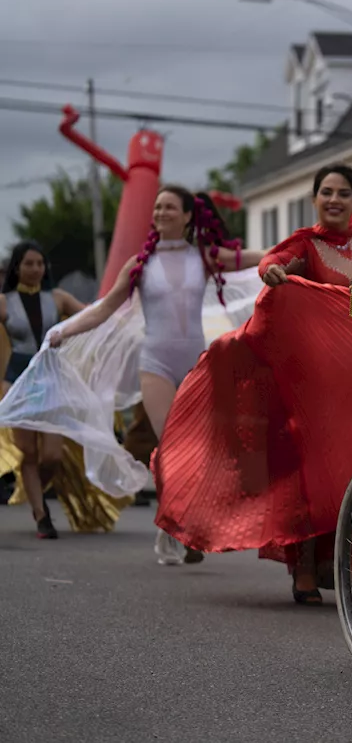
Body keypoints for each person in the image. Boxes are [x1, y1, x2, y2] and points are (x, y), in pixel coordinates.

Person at [154, 165, 352, 606]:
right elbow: (271, 262)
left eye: (343, 194)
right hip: (315, 388)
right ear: (315, 199)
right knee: (317, 476)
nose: (334, 200)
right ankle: (306, 570)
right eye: (326, 193)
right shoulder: (305, 244)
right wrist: (273, 273)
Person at [47, 186, 270, 561]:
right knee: (170, 447)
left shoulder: (205, 258)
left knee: (200, 449)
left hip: (196, 363)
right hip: (156, 364)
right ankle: (173, 530)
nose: (161, 211)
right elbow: (104, 309)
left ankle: (180, 523)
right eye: (157, 206)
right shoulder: (139, 264)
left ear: (187, 217)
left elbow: (256, 258)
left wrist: (300, 250)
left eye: (170, 207)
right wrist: (63, 331)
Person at [0, 241, 88, 538]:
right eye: (29, 264)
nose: (36, 269)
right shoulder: (4, 301)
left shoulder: (59, 298)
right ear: (17, 267)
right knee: (27, 452)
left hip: (51, 379)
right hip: (18, 380)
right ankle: (41, 515)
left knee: (53, 455)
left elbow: (92, 316)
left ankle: (34, 490)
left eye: (40, 263)